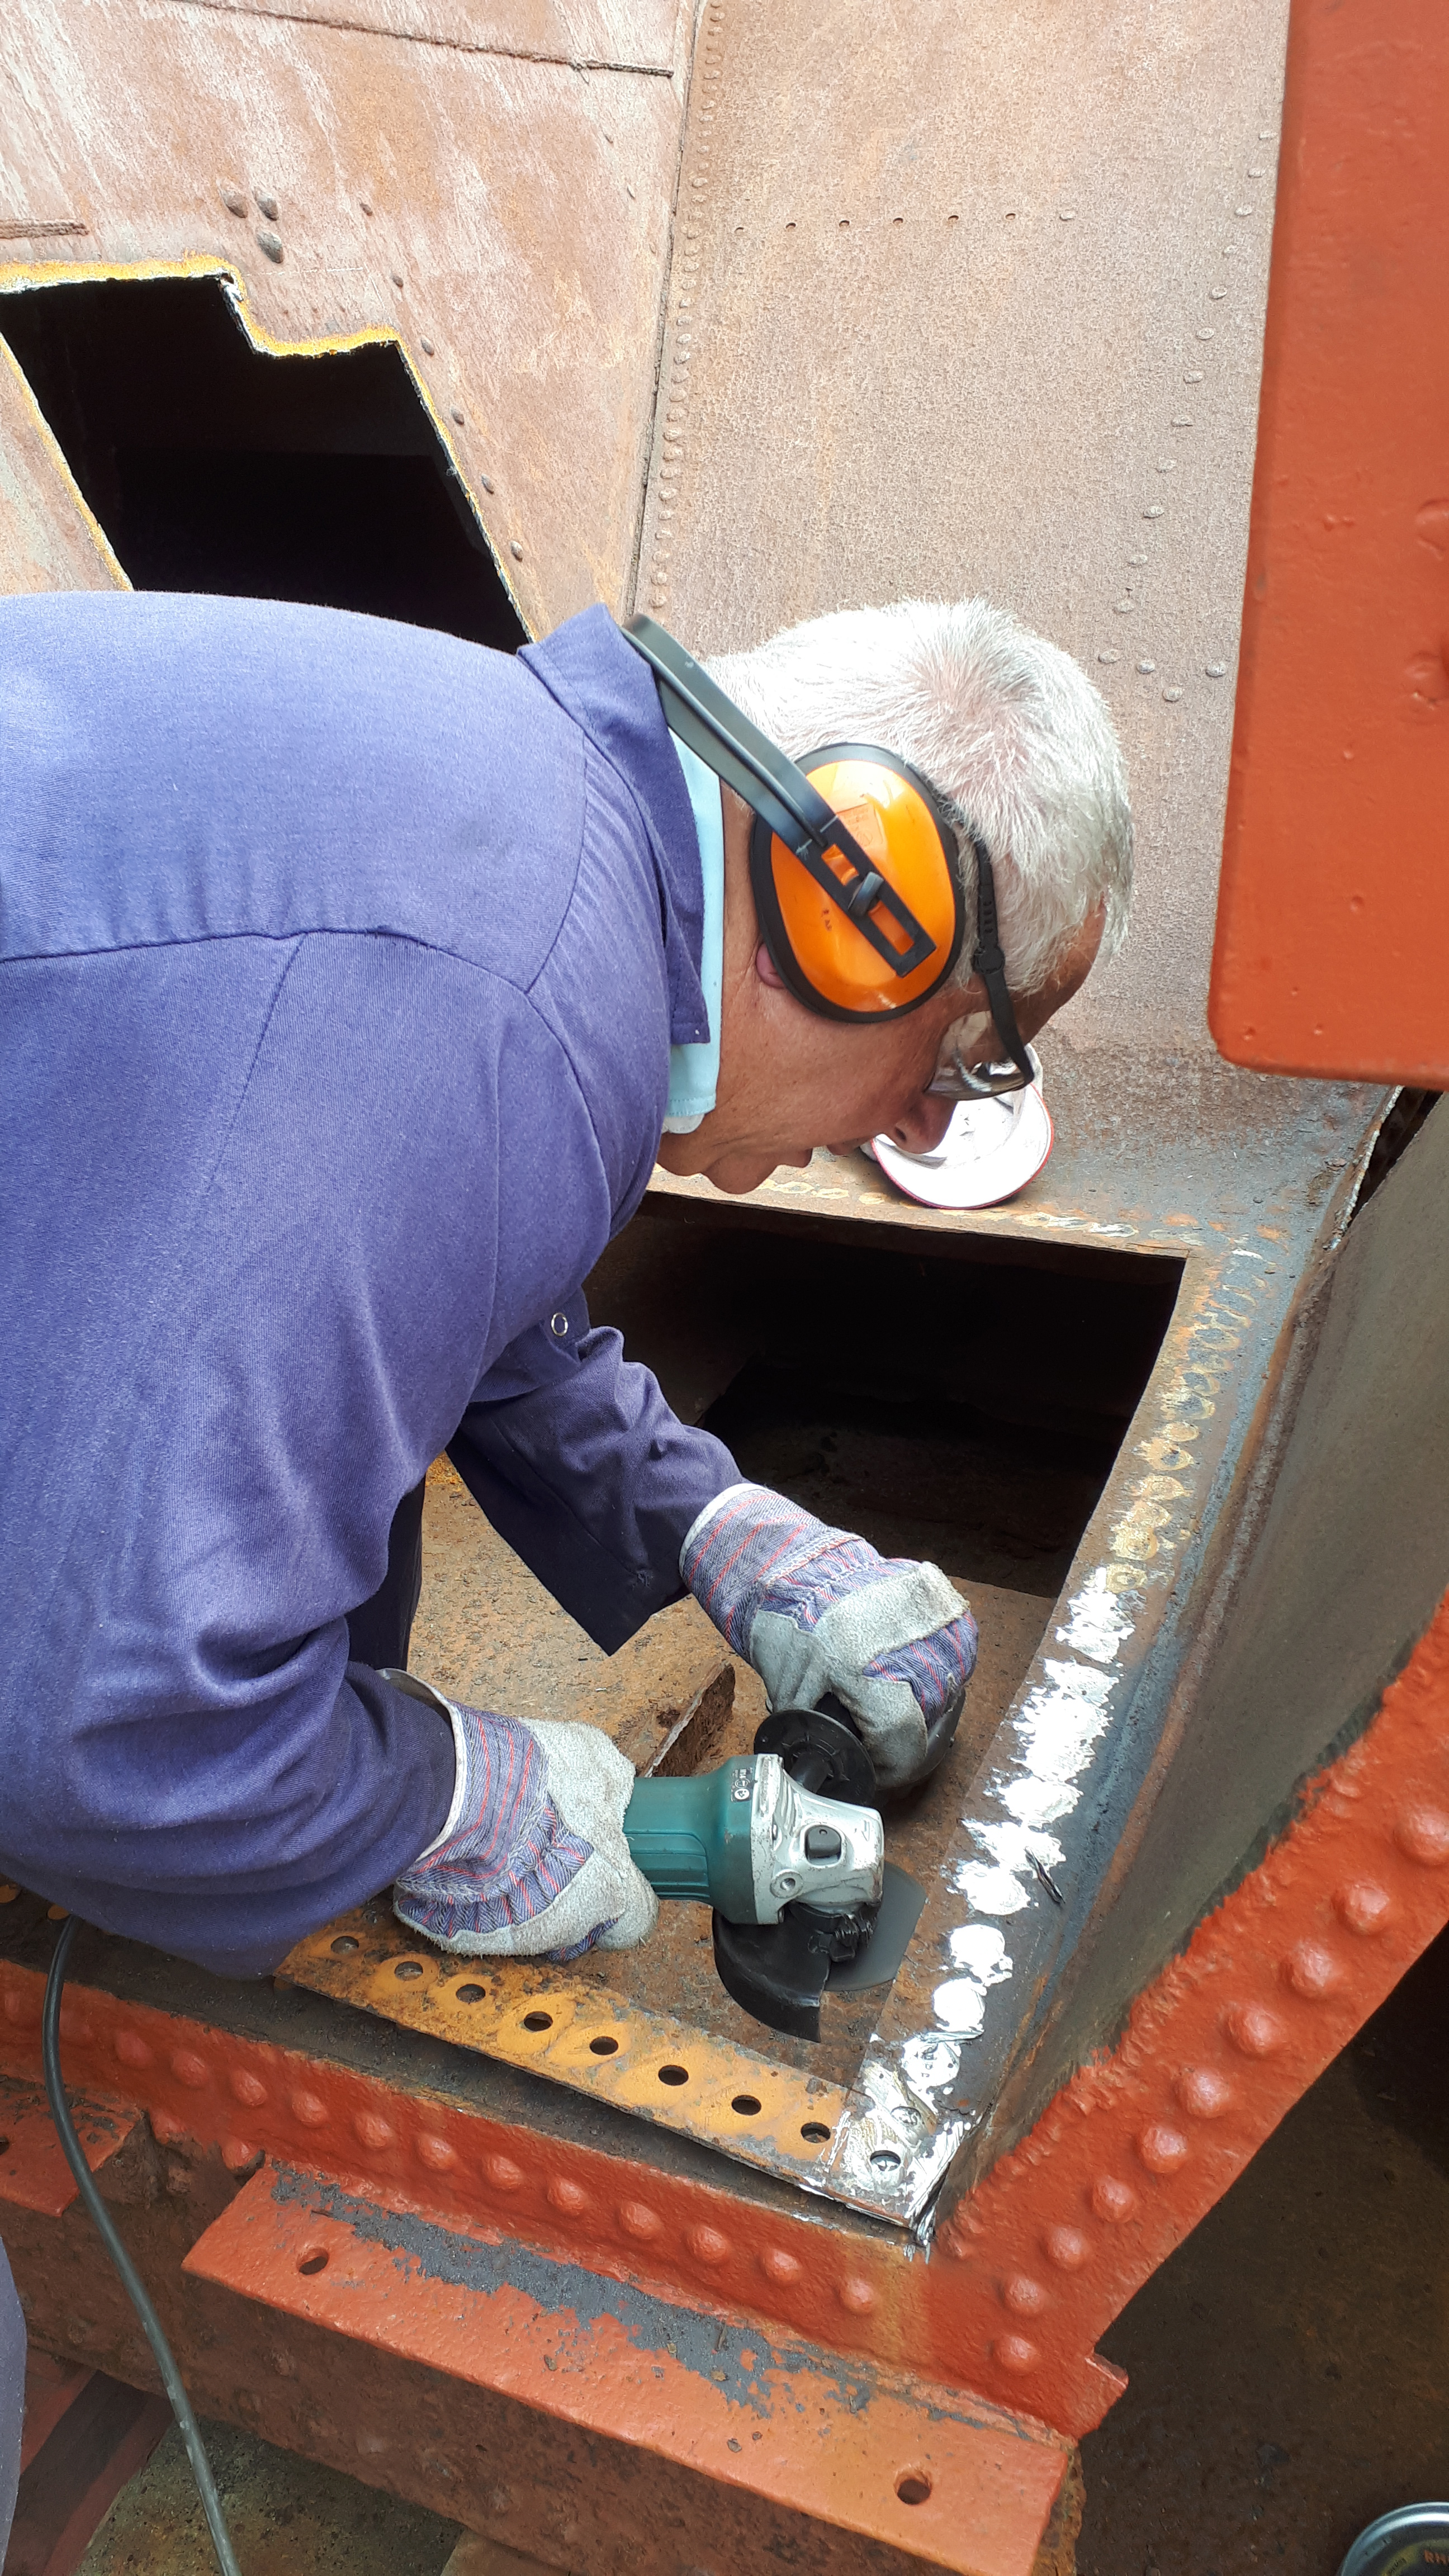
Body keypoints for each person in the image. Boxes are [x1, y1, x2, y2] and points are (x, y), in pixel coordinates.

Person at [0, 590, 1131, 1976]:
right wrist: (445, 1803)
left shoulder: (533, 841)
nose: (915, 1132)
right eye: (955, 1065)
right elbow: (104, 1735)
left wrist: (720, 1523)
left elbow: (429, 1279)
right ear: (862, 912)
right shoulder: (502, 1005)